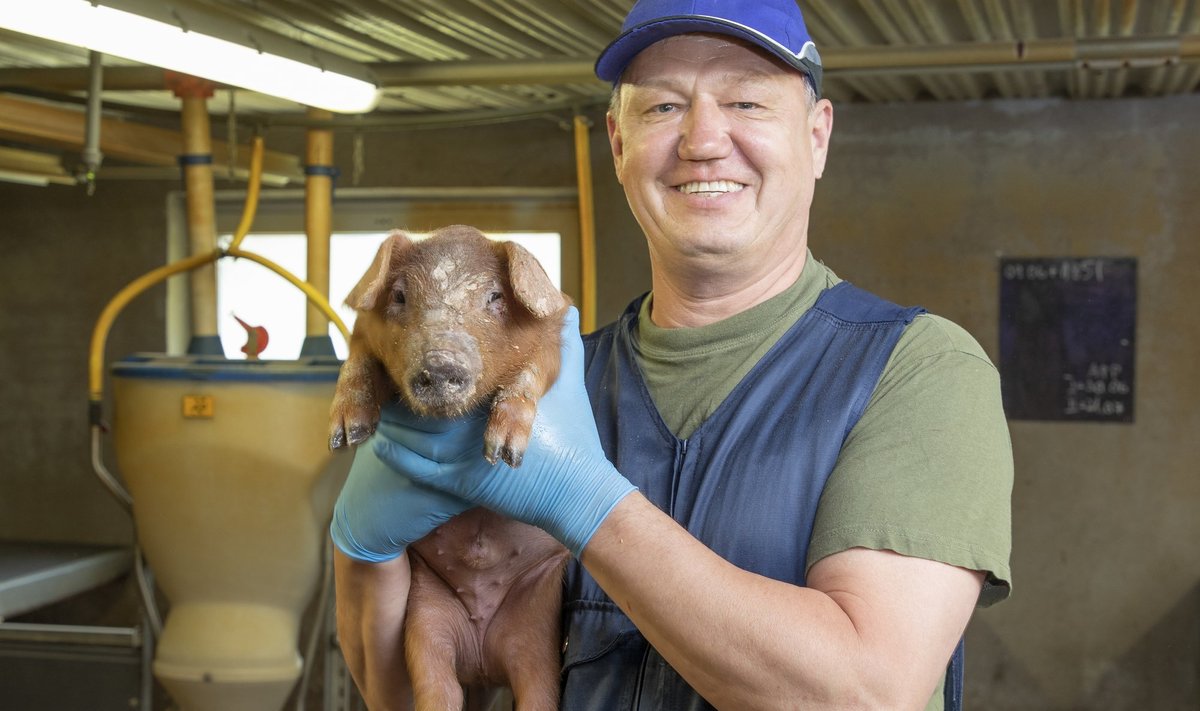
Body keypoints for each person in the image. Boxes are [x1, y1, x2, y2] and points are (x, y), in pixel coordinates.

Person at [330, 0, 1014, 709]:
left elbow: (864, 692)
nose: (703, 140)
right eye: (662, 108)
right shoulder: (551, 385)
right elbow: (400, 694)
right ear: (619, 145)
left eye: (745, 100)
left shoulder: (917, 373)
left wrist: (587, 502)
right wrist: (364, 549)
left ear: (817, 137)